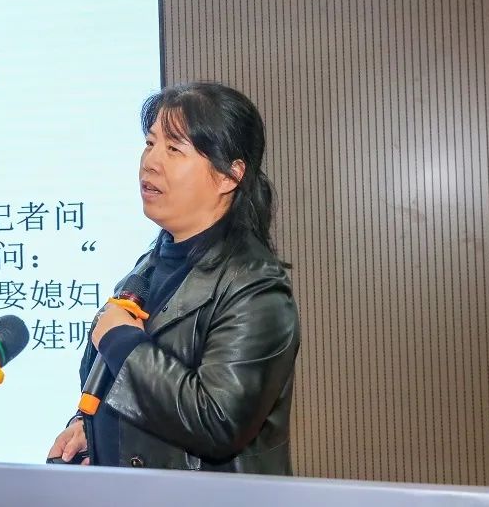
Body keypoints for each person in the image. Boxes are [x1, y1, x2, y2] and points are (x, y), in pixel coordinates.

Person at [47, 82, 300, 473]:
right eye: (150, 143)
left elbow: (217, 421)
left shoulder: (255, 287)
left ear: (228, 176)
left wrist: (122, 341)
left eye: (174, 149)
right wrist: (89, 430)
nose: (150, 162)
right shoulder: (146, 268)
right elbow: (125, 392)